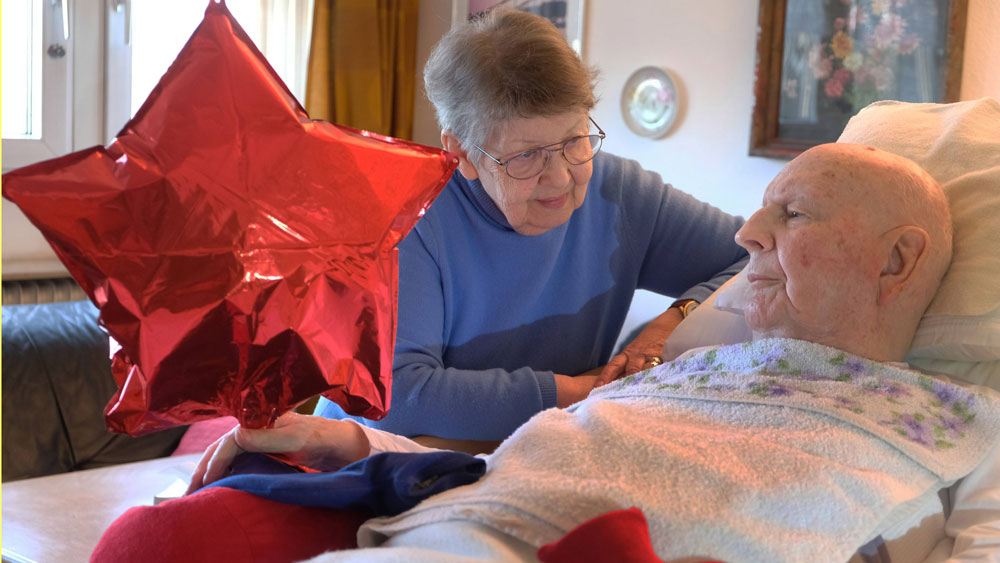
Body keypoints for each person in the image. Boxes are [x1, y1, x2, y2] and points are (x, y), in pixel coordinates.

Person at [186, 143, 1000, 562]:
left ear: (896, 261)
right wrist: (345, 440)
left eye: (794, 214)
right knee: (165, 537)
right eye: (761, 209)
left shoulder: (951, 427)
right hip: (465, 520)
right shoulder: (686, 369)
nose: (749, 233)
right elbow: (507, 463)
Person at [312, 7, 749, 443]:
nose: (560, 177)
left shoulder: (622, 193)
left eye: (575, 141)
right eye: (526, 156)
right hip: (350, 462)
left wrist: (675, 319)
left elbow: (756, 254)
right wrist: (584, 391)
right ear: (461, 153)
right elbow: (397, 397)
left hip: (510, 456)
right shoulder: (410, 218)